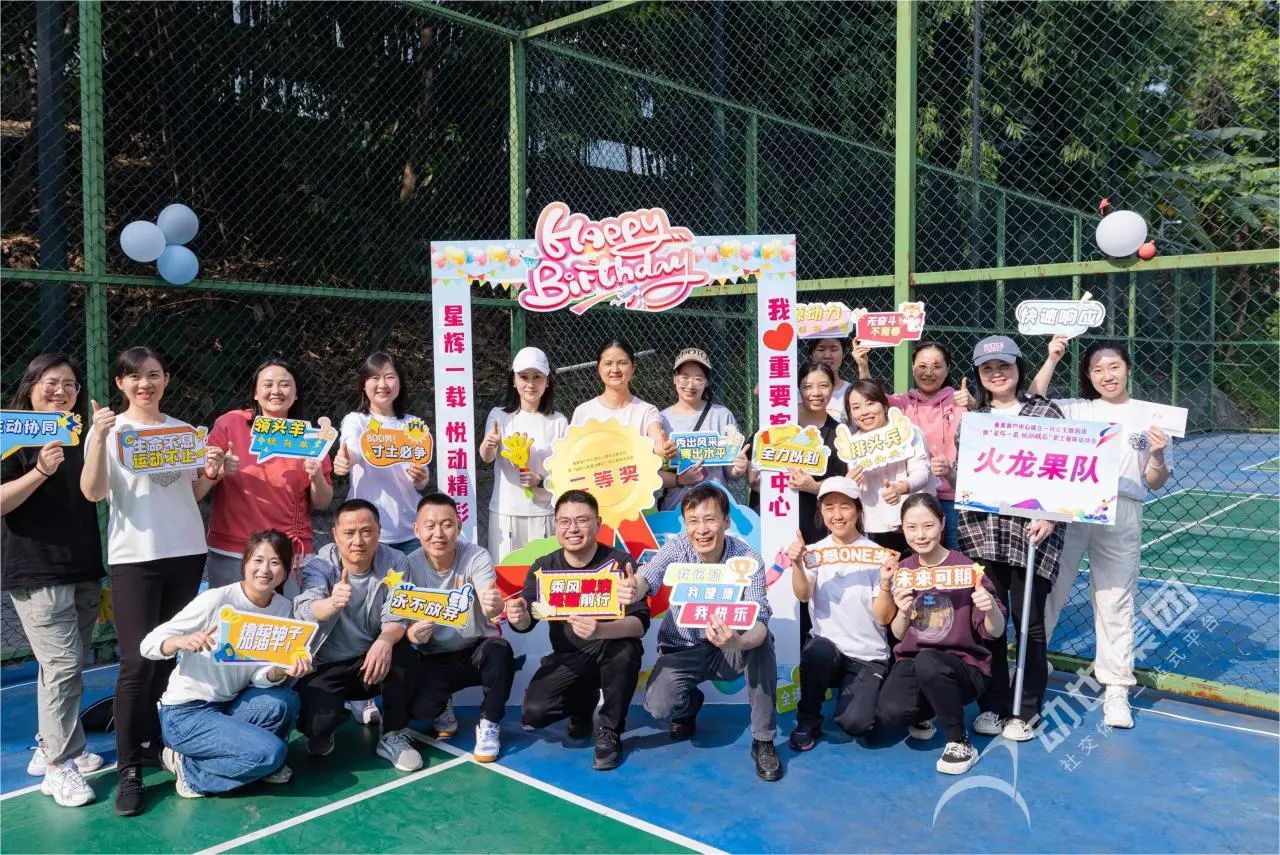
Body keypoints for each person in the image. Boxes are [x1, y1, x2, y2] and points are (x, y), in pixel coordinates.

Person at [80, 346, 226, 816]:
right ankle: (128, 768)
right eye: (135, 376)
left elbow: (191, 491)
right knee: (136, 664)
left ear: (166, 380)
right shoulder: (111, 430)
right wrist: (98, 438)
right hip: (136, 559)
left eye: (154, 375)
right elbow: (94, 492)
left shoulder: (183, 432)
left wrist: (211, 474)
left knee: (170, 658)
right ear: (120, 383)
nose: (145, 384)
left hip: (186, 554)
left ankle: (154, 742)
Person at [1031, 336, 1173, 729]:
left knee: (1115, 601)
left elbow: (1155, 481)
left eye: (1114, 367)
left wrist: (1158, 454)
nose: (1107, 375)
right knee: (1050, 592)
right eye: (1097, 369)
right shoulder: (1078, 409)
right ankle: (1029, 669)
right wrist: (1052, 358)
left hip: (1123, 509)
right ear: (1088, 375)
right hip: (1074, 507)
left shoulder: (1151, 416)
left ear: (1127, 368)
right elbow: (1032, 401)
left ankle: (1115, 689)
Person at [619, 483, 783, 782]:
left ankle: (764, 739)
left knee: (762, 641)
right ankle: (688, 704)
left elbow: (760, 619)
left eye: (710, 519)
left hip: (729, 648)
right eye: (693, 521)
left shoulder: (747, 558)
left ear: (726, 522)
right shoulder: (677, 548)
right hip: (681, 648)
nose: (701, 529)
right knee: (658, 707)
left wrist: (738, 641)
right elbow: (648, 577)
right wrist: (634, 588)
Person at [1, 354, 104, 807]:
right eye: (51, 382)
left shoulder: (78, 434)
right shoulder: (10, 435)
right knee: (63, 666)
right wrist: (40, 471)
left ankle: (49, 747)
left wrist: (101, 437)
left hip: (82, 564)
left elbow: (96, 491)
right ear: (31, 386)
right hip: (34, 567)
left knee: (64, 665)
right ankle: (61, 765)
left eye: (69, 384)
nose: (61, 391)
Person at [143, 530, 311, 798]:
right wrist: (180, 641)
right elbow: (148, 644)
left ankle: (252, 765)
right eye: (258, 560)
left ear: (286, 570)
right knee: (271, 753)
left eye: (275, 562)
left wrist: (281, 669)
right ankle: (189, 771)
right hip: (186, 714)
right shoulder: (216, 600)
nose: (265, 570)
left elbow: (259, 676)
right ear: (245, 563)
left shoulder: (283, 608)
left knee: (284, 701)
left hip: (230, 705)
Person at [955, 336, 1064, 742]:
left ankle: (1027, 708)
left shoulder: (1046, 412)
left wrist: (1051, 514)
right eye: (987, 368)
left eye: (1004, 365)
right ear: (979, 375)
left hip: (1033, 535)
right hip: (984, 535)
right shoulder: (974, 420)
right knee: (991, 621)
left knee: (1029, 623)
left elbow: (1069, 472)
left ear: (1019, 368)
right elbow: (967, 474)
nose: (997, 373)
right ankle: (995, 704)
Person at [505, 490, 648, 771]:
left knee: (626, 649)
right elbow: (525, 621)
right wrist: (518, 616)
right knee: (535, 712)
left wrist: (600, 630)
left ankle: (609, 731)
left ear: (598, 523)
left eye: (582, 520)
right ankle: (582, 705)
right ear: (555, 525)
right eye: (565, 521)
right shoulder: (544, 567)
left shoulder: (619, 563)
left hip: (610, 648)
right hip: (568, 657)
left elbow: (640, 624)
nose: (573, 528)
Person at [876, 493, 1007, 774]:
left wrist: (990, 609)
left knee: (929, 661)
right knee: (890, 713)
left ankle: (959, 741)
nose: (920, 535)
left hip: (964, 668)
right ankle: (929, 709)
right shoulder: (903, 571)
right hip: (915, 662)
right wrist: (903, 612)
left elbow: (994, 632)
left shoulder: (968, 569)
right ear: (902, 529)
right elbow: (898, 634)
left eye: (928, 526)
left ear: (942, 523)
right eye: (912, 527)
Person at [292, 500, 422, 772]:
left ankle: (393, 734)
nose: (358, 541)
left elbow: (398, 615)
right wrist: (331, 603)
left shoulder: (396, 561)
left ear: (379, 531)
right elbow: (304, 609)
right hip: (327, 664)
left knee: (405, 653)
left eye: (367, 531)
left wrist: (385, 641)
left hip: (370, 660)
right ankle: (329, 723)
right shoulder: (319, 564)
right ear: (335, 534)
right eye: (349, 533)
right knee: (317, 726)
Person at [399, 493, 513, 763]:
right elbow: (400, 619)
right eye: (430, 525)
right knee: (418, 711)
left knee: (500, 651)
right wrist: (412, 634)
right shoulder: (407, 565)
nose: (438, 533)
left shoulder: (476, 556)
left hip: (476, 650)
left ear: (459, 527)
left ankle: (489, 724)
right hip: (433, 655)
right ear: (416, 530)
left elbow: (489, 601)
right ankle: (442, 704)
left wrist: (493, 604)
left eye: (447, 524)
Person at [786, 477, 895, 752]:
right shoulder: (813, 553)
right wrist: (797, 564)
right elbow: (803, 595)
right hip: (828, 649)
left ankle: (870, 695)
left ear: (858, 510)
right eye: (829, 507)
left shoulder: (879, 555)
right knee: (817, 651)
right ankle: (808, 719)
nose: (837, 515)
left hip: (867, 655)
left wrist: (885, 582)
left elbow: (883, 618)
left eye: (845, 506)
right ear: (821, 512)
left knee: (857, 724)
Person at [204, 359, 334, 589]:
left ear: (296, 394)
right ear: (255, 393)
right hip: (233, 550)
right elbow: (202, 478)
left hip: (288, 553)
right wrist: (220, 470)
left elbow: (323, 502)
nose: (276, 391)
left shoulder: (310, 437)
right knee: (230, 613)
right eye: (268, 384)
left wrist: (316, 476)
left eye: (285, 384)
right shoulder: (231, 424)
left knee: (288, 613)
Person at [854, 342, 972, 547]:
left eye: (936, 366)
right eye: (922, 366)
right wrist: (863, 366)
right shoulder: (899, 404)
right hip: (911, 497)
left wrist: (974, 405)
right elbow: (871, 398)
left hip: (952, 497)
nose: (929, 372)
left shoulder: (961, 403)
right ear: (912, 368)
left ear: (948, 369)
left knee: (954, 559)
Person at [333, 352, 430, 553]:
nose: (383, 384)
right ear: (363, 384)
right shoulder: (357, 420)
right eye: (375, 378)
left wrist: (421, 479)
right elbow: (353, 449)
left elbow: (421, 478)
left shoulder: (413, 424)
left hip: (412, 531)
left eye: (390, 377)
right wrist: (346, 460)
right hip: (367, 533)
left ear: (400, 383)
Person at [478, 347, 568, 561]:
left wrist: (541, 481)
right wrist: (489, 444)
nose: (530, 384)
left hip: (545, 511)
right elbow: (486, 457)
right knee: (506, 572)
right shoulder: (499, 416)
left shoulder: (558, 421)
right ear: (513, 380)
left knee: (543, 574)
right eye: (524, 377)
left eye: (537, 377)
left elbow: (566, 472)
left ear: (547, 381)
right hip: (506, 511)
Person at [843, 379, 936, 556]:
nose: (864, 412)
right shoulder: (851, 445)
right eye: (856, 407)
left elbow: (922, 472)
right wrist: (849, 484)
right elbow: (854, 491)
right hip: (875, 526)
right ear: (850, 413)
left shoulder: (908, 431)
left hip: (915, 522)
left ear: (885, 405)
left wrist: (901, 487)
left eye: (871, 403)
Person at [657, 347, 741, 511]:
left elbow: (732, 472)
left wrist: (738, 469)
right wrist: (680, 479)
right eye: (685, 377)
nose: (690, 384)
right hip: (674, 512)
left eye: (698, 378)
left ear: (707, 382)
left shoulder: (722, 415)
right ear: (675, 378)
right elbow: (652, 474)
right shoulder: (660, 420)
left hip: (715, 511)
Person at [571, 339, 674, 458]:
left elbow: (656, 439)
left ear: (633, 367)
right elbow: (573, 453)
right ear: (599, 369)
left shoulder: (647, 411)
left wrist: (662, 447)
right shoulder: (583, 412)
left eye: (622, 363)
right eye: (608, 363)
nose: (615, 370)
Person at [807, 337, 852, 425]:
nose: (827, 356)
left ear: (843, 354)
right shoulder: (799, 393)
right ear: (811, 355)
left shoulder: (852, 391)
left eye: (834, 350)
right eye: (821, 349)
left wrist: (863, 366)